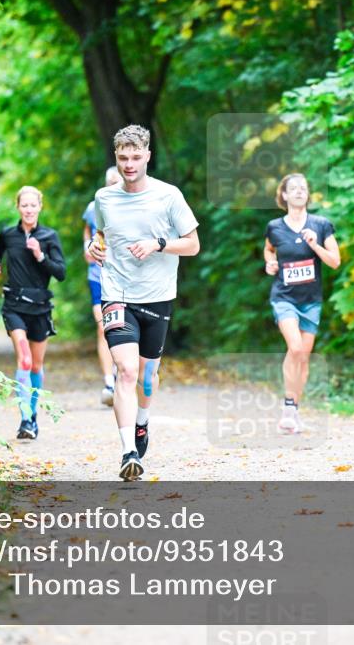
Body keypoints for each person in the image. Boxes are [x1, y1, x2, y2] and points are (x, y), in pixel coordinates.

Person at [87, 125, 200, 481]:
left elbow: (193, 244)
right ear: (116, 158)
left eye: (136, 157)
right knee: (127, 370)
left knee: (148, 378)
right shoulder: (104, 198)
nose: (129, 164)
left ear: (148, 156)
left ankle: (142, 421)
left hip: (157, 295)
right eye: (123, 158)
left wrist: (158, 244)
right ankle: (128, 453)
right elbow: (102, 235)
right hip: (117, 292)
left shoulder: (169, 196)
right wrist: (95, 247)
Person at [263, 173, 340, 433]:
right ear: (284, 195)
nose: (298, 191)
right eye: (292, 188)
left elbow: (334, 261)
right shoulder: (274, 226)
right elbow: (269, 249)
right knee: (295, 348)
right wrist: (269, 263)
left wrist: (315, 245)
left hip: (311, 301)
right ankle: (287, 406)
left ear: (308, 194)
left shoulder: (321, 225)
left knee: (303, 358)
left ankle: (293, 412)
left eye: (303, 188)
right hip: (284, 297)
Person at [0, 186, 66, 440]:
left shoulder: (49, 236)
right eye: (25, 205)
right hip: (14, 305)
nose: (29, 209)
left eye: (33, 205)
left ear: (40, 207)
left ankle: (33, 416)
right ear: (18, 207)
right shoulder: (8, 234)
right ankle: (25, 420)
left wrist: (40, 255)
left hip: (41, 308)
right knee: (24, 359)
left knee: (37, 365)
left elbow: (61, 273)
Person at [83, 167, 123, 407]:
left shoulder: (133, 207)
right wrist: (88, 249)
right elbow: (86, 238)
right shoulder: (92, 208)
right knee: (103, 328)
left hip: (126, 279)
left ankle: (123, 377)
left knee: (122, 327)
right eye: (112, 182)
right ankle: (109, 381)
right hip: (98, 276)